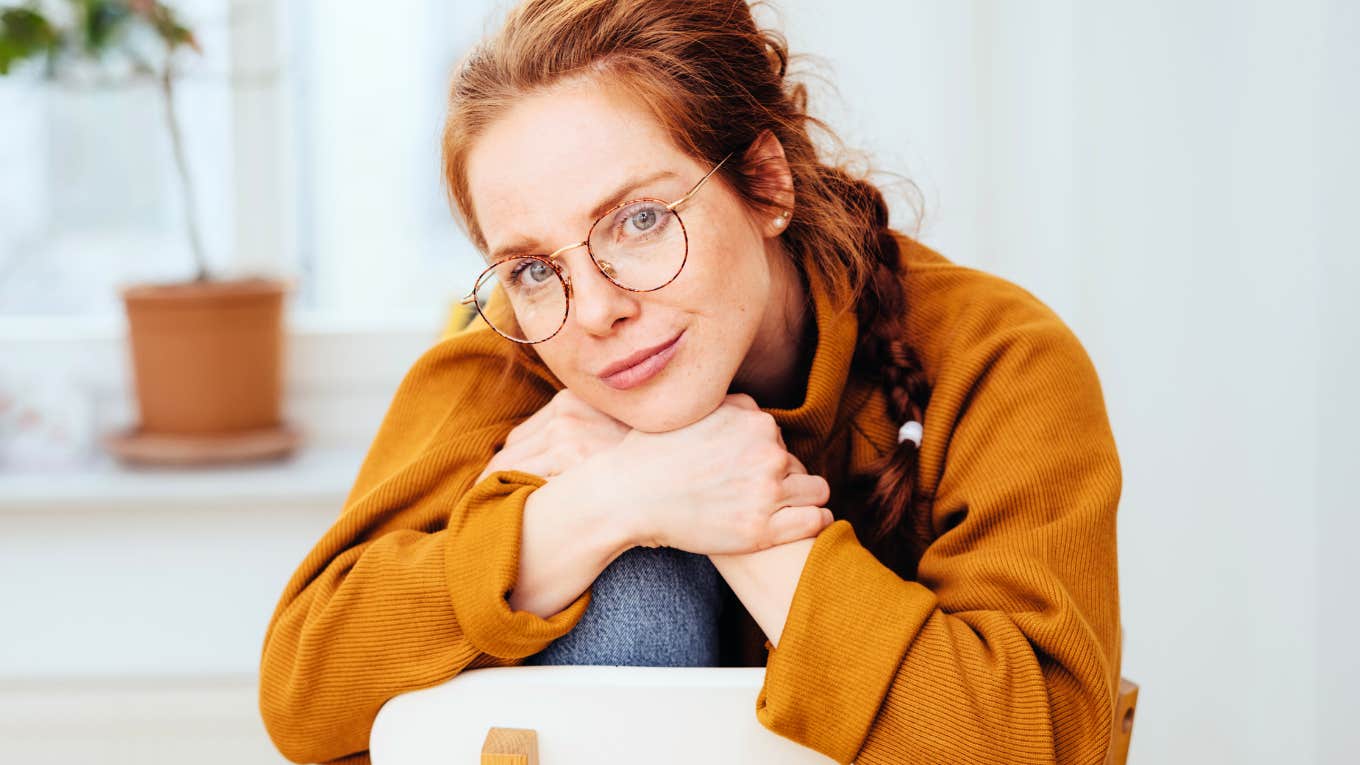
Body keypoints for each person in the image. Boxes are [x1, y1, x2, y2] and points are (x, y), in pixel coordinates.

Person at [258, 1, 1123, 763]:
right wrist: (604, 507)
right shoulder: (505, 363)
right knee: (634, 570)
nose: (593, 310)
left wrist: (747, 520)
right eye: (528, 267)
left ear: (766, 181)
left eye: (638, 220)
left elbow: (1038, 744)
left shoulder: (999, 358)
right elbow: (302, 696)